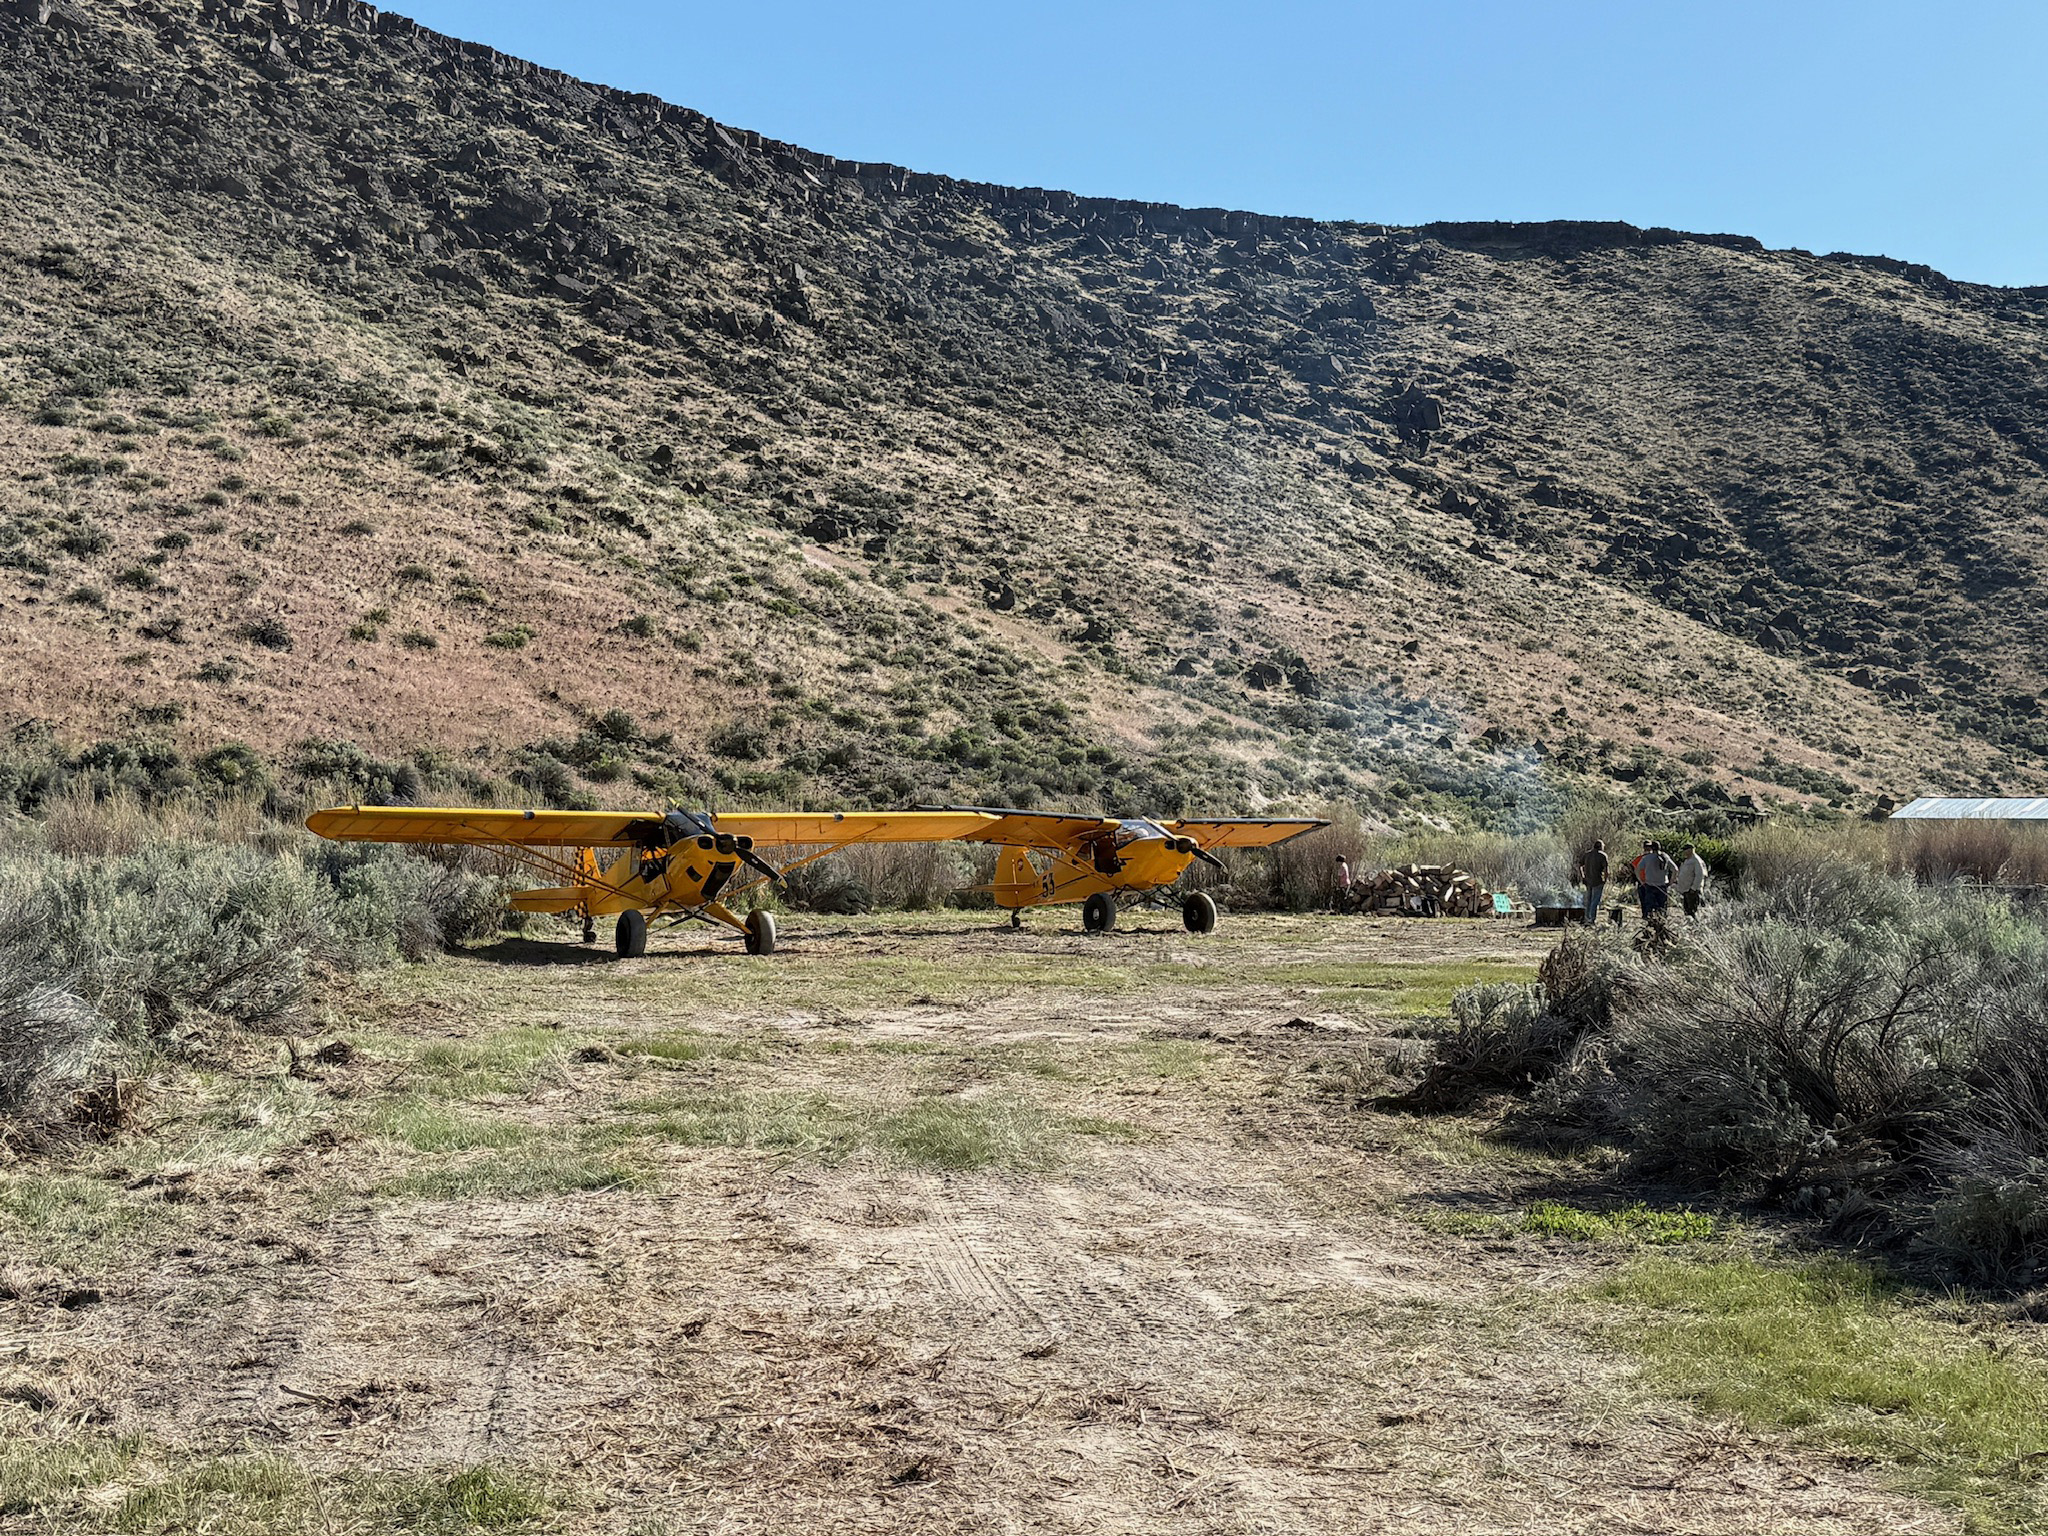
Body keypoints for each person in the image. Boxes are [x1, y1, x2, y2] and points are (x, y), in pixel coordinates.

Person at [1632, 839, 1677, 921]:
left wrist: (1642, 881)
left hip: (1650, 886)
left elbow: (1637, 869)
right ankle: (1662, 924)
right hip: (1663, 886)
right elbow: (1675, 869)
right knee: (1662, 908)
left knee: (1650, 908)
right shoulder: (1665, 857)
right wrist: (1671, 882)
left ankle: (1650, 925)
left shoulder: (1646, 858)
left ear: (1652, 848)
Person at [1578, 839, 1610, 925]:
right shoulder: (1603, 855)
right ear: (1601, 847)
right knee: (1595, 901)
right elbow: (1606, 870)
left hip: (1588, 881)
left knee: (1588, 900)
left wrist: (1583, 876)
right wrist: (1605, 880)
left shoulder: (1587, 854)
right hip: (1598, 881)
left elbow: (1580, 865)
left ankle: (1587, 918)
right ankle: (1591, 919)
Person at [1674, 844, 1708, 917]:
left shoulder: (1696, 861)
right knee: (1687, 912)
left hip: (1692, 891)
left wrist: (1693, 888)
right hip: (1686, 890)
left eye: (1685, 850)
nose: (1684, 852)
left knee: (1692, 911)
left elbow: (1700, 875)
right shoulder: (1688, 860)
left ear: (1690, 850)